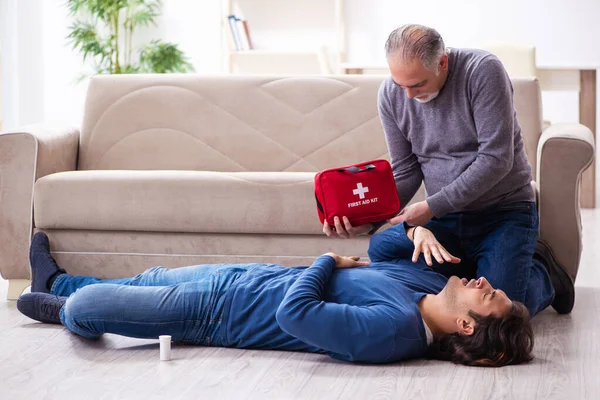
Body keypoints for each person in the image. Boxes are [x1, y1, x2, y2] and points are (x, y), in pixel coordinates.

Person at [323, 24, 573, 315]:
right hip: (444, 219)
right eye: (400, 84)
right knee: (386, 254)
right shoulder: (391, 94)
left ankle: (543, 274)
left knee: (495, 315)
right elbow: (406, 170)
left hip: (503, 213)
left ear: (442, 62)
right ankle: (478, 266)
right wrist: (367, 218)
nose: (408, 96)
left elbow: (496, 159)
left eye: (417, 85)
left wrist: (431, 206)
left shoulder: (483, 71)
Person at [18, 232, 533, 367]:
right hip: (248, 276)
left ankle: (64, 307)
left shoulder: (394, 332)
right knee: (148, 276)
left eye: (492, 298)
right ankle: (55, 283)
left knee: (90, 310)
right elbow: (384, 246)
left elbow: (295, 313)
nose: (485, 282)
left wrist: (327, 261)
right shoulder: (421, 292)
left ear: (468, 327)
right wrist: (417, 229)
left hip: (218, 315)